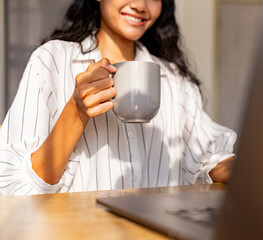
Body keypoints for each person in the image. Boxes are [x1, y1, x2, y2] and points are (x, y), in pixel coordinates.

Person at [0, 0, 236, 196]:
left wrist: (258, 175)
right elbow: (15, 186)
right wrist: (76, 109)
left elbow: (210, 156)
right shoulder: (52, 61)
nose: (140, 5)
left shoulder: (175, 81)